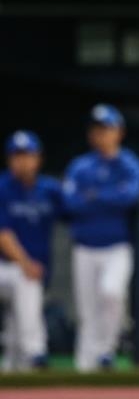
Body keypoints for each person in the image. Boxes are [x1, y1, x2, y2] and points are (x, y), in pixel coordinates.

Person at [64, 104, 139, 372]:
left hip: (117, 246)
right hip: (85, 247)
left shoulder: (130, 164)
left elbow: (130, 197)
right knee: (87, 311)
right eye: (98, 130)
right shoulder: (80, 166)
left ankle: (105, 352)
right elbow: (71, 203)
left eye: (108, 129)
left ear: (119, 132)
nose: (102, 135)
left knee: (111, 294)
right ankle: (85, 366)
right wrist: (110, 196)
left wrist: (95, 196)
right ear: (91, 134)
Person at [0, 131, 63, 371]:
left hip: (30, 269)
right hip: (6, 267)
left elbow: (76, 210)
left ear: (38, 158)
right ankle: (36, 354)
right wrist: (25, 263)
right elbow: (3, 235)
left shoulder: (49, 189)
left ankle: (15, 370)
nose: (23, 161)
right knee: (24, 281)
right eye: (17, 155)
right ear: (9, 159)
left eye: (28, 155)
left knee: (17, 323)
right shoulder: (2, 187)